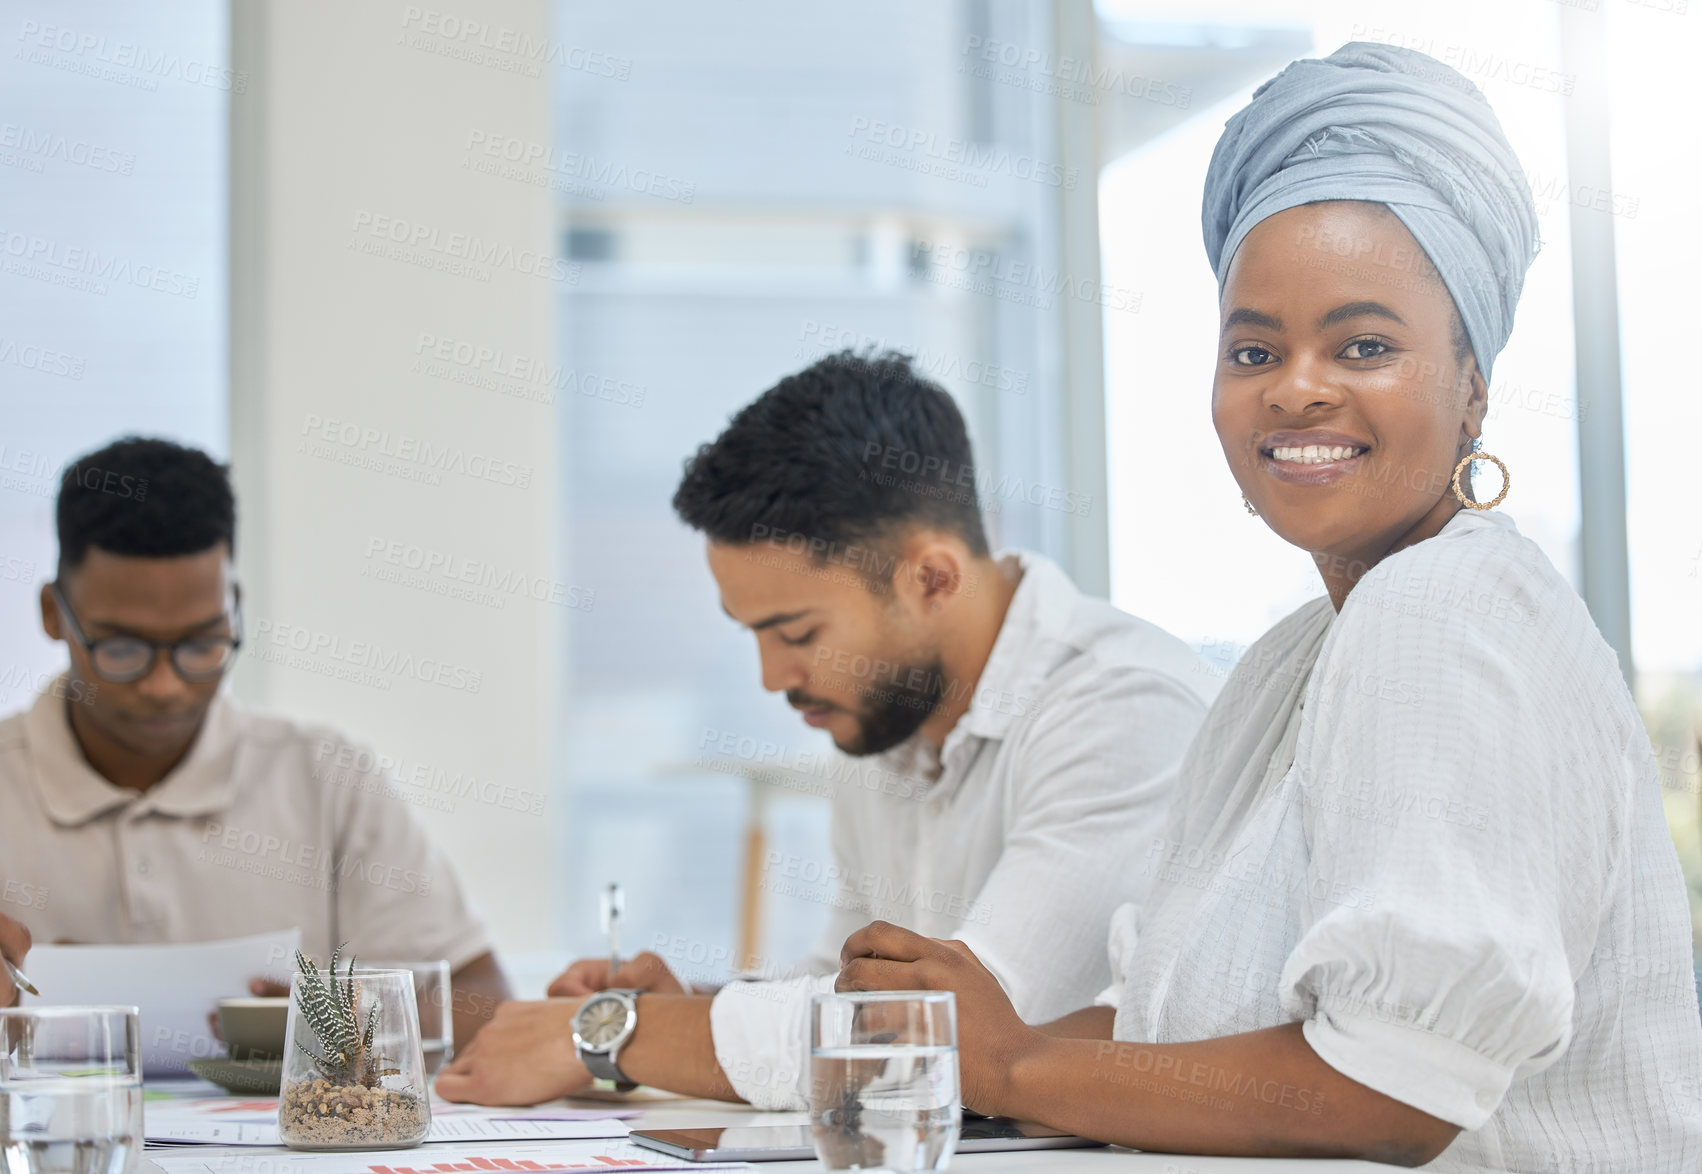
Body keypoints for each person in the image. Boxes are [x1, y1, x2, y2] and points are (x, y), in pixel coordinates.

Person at [830, 43, 1702, 1172]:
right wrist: (972, 1048)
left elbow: (1387, 1091)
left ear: (1472, 382)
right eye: (1255, 347)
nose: (1296, 385)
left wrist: (1002, 1066)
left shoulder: (1448, 608)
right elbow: (1173, 1039)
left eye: (1365, 345)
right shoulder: (1293, 660)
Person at [436, 351, 1218, 1108]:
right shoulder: (888, 720)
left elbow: (945, 1034)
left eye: (799, 633)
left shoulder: (1122, 709)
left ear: (932, 579)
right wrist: (682, 1009)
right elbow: (844, 984)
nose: (773, 678)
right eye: (752, 634)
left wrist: (618, 1035)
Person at [0, 438, 511, 1050]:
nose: (165, 687)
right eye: (123, 649)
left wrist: (339, 1021)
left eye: (202, 644)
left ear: (236, 610)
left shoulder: (326, 777)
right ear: (53, 614)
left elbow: (485, 1003)